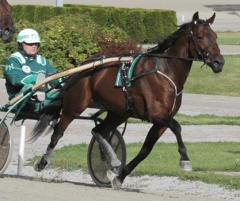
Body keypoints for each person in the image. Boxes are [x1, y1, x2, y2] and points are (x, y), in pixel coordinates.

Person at [4, 28, 62, 115]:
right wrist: (36, 79)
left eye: (36, 43)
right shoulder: (14, 59)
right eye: (30, 44)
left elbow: (54, 76)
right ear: (20, 44)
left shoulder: (42, 60)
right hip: (19, 102)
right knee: (28, 87)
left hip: (42, 101)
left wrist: (63, 81)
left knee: (62, 93)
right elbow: (14, 79)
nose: (34, 46)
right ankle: (35, 94)